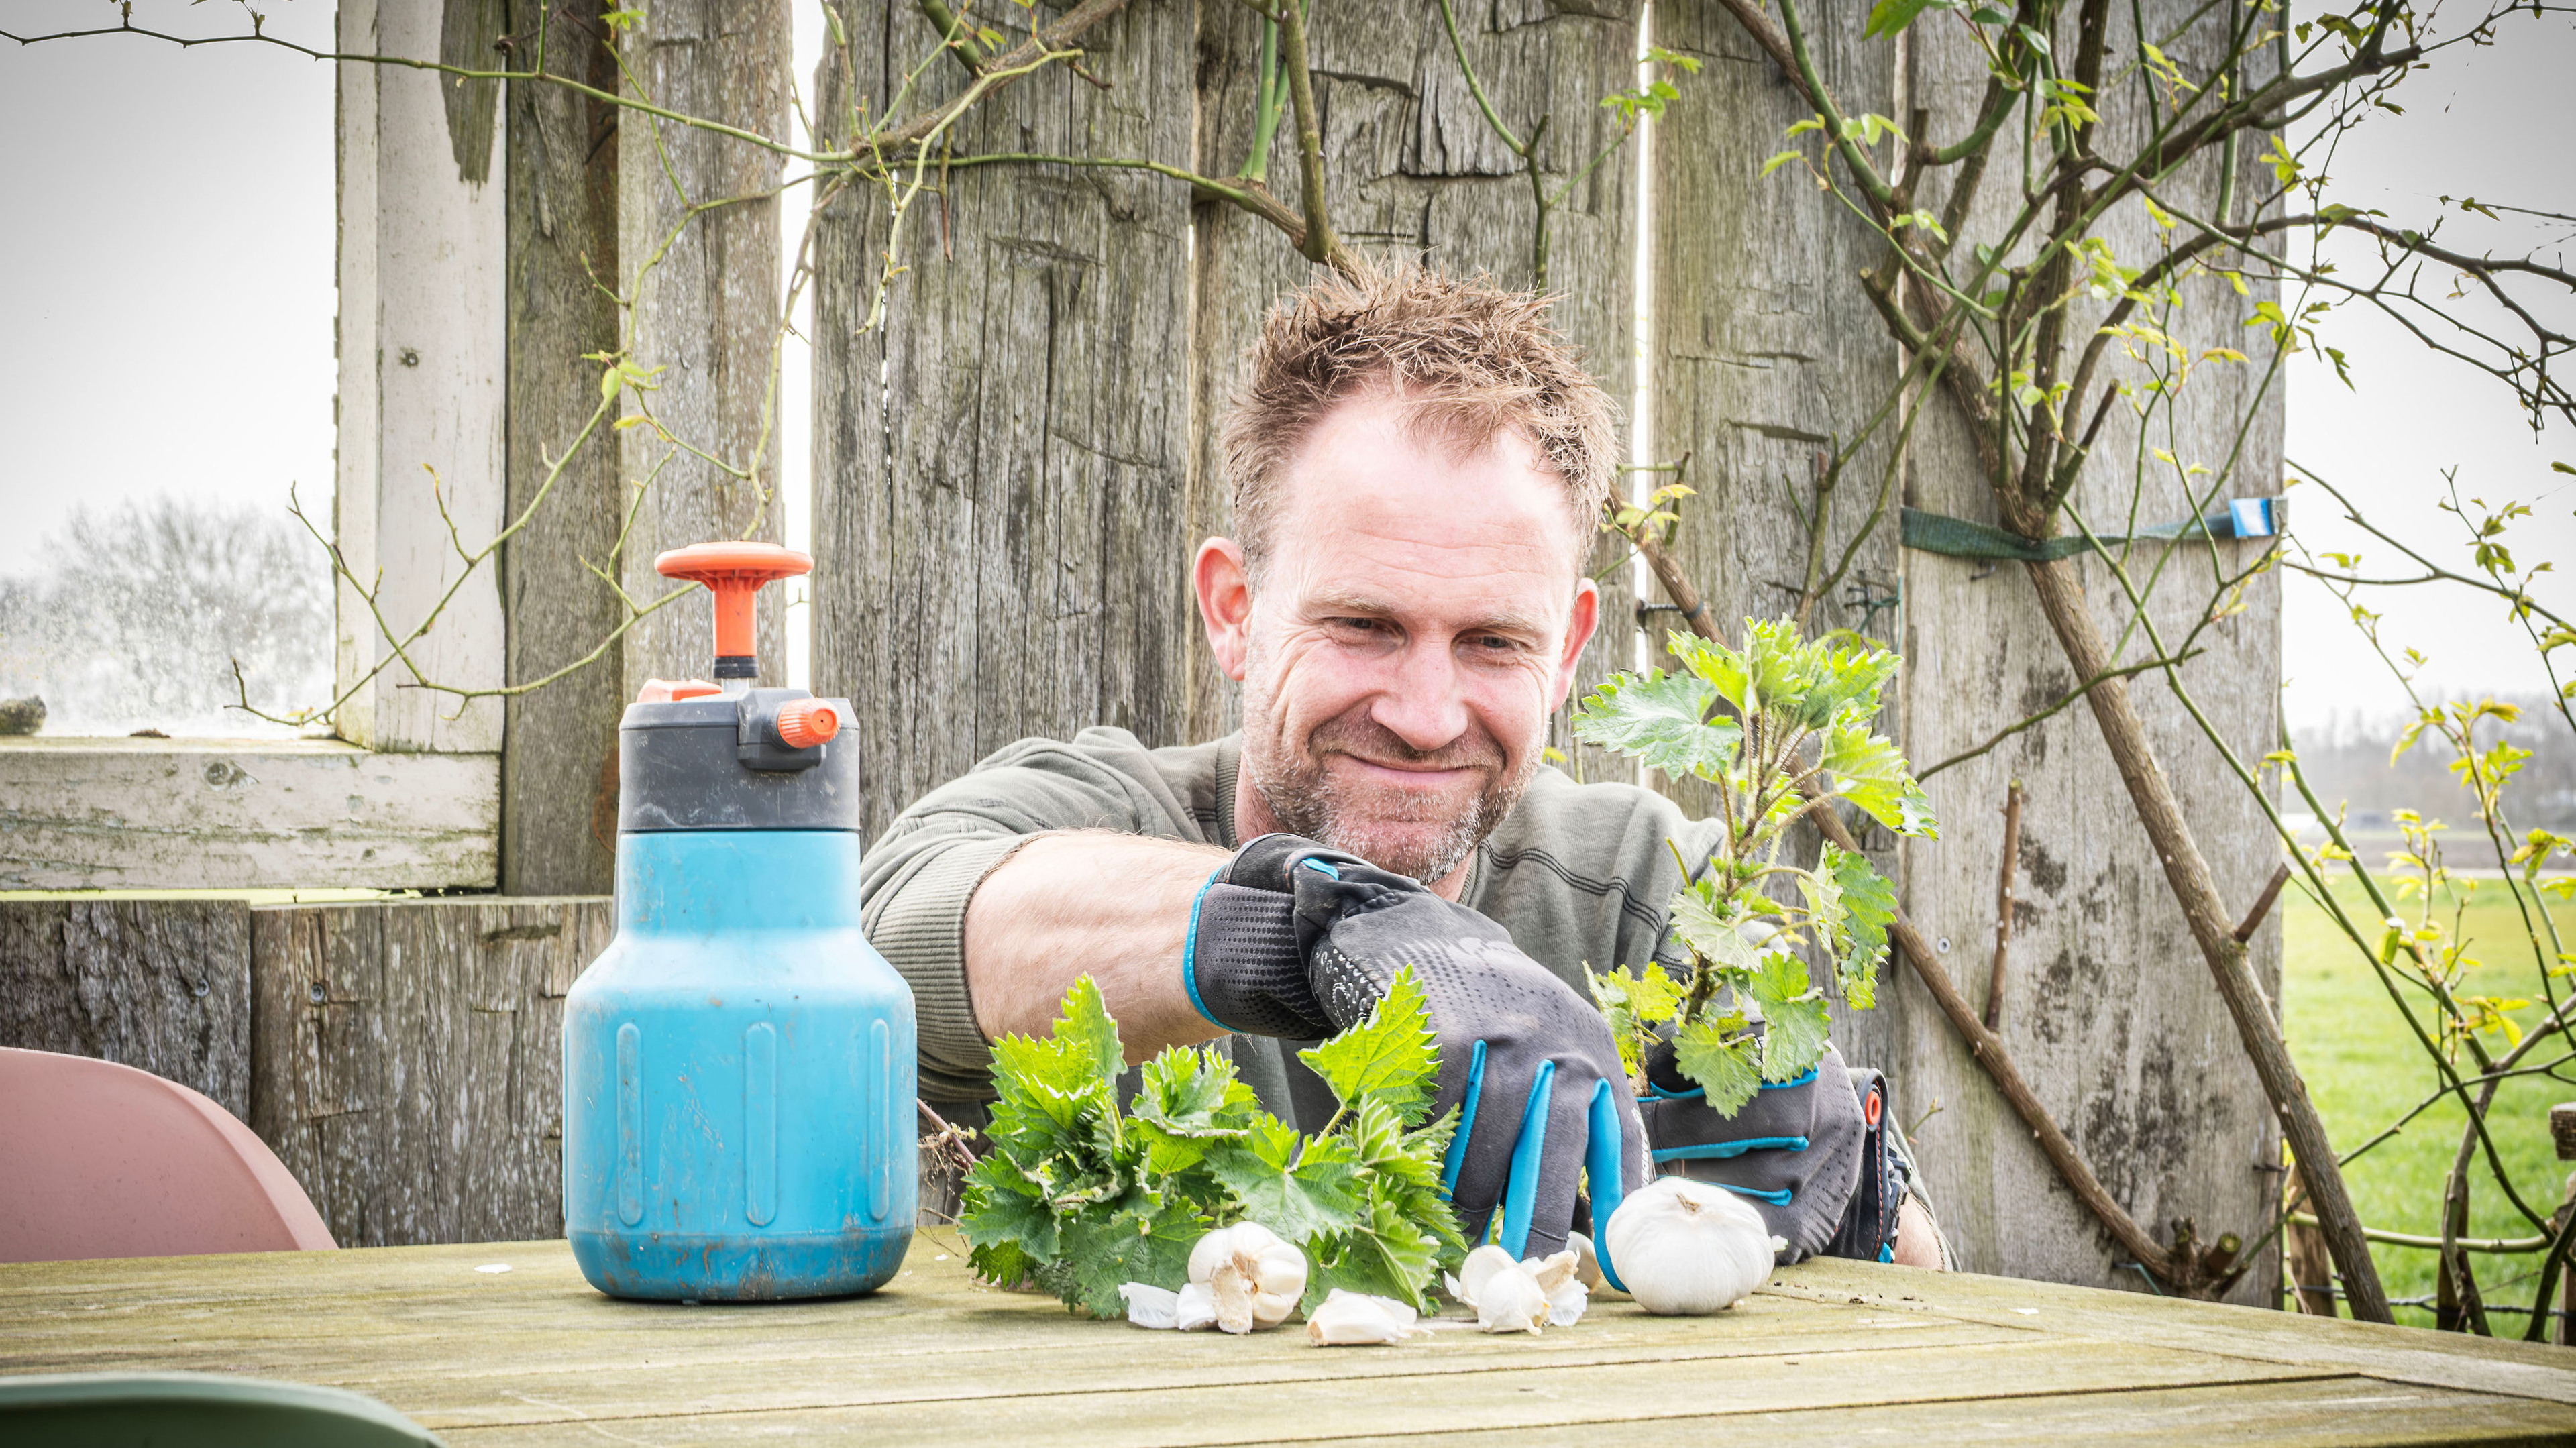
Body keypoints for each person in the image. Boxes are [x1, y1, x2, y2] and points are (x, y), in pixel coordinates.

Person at [862, 265, 1947, 1270]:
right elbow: (892, 939)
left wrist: (1858, 1204)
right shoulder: (1095, 812)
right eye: (1365, 624)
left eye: (1493, 642)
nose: (1427, 718)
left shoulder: (1645, 891)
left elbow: (1930, 1301)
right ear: (1234, 611)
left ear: (1568, 651)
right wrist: (1315, 930)